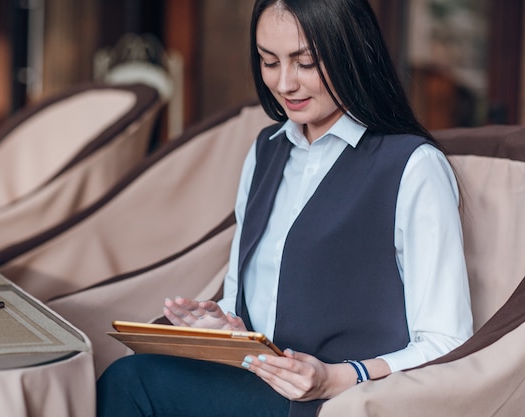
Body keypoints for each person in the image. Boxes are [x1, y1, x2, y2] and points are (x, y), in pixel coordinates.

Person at [96, 0, 473, 416]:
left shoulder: (412, 166)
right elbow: (246, 297)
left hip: (339, 402)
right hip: (258, 380)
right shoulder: (266, 151)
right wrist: (225, 325)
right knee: (133, 370)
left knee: (130, 383)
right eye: (268, 62)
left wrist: (341, 376)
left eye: (305, 62)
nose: (284, 83)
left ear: (352, 51)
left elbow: (447, 341)